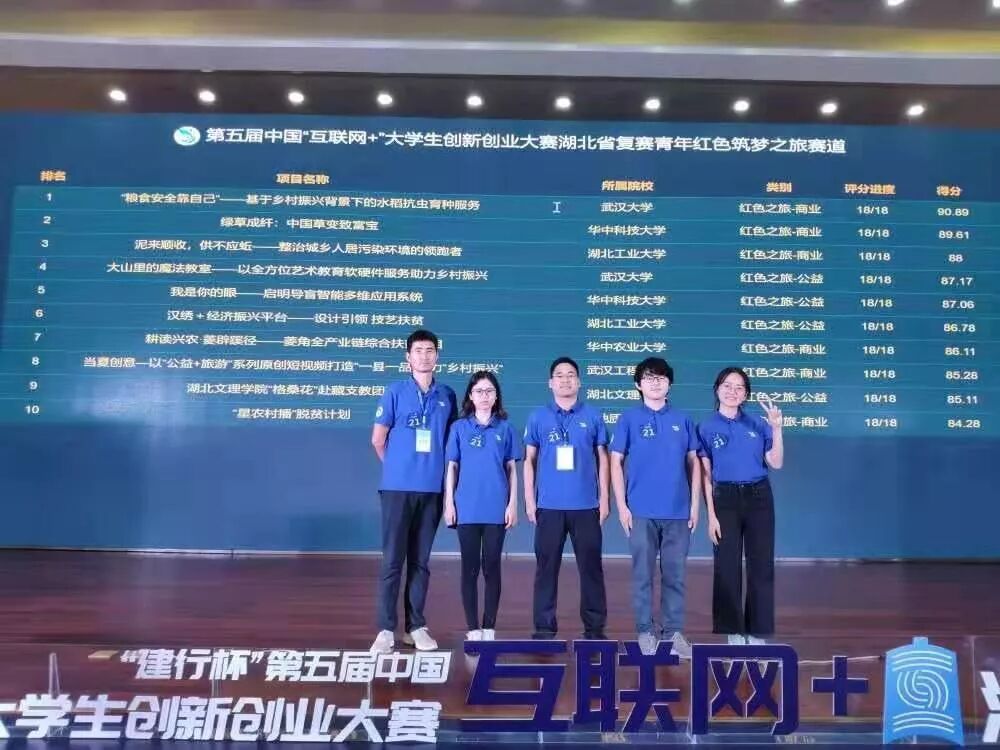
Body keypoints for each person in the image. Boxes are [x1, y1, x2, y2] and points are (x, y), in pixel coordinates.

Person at [370, 329, 457, 654]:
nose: (424, 355)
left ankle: (415, 627)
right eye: (418, 350)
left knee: (420, 561)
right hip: (397, 489)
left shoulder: (447, 395)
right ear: (408, 357)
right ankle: (385, 629)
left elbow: (451, 444)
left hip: (432, 490)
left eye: (430, 350)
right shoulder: (394, 391)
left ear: (437, 356)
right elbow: (378, 439)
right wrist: (398, 467)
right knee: (393, 560)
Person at [610, 357, 701, 658]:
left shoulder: (683, 419)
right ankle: (645, 631)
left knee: (675, 575)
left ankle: (673, 632)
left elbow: (694, 463)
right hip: (640, 511)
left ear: (669, 383)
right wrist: (622, 506)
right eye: (649, 377)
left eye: (661, 377)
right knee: (642, 575)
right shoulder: (628, 419)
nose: (656, 382)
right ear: (638, 384)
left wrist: (695, 505)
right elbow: (615, 461)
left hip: (677, 511)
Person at [697, 367, 784, 646]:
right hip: (724, 499)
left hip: (759, 497)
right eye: (727, 385)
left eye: (739, 387)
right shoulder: (706, 427)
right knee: (727, 565)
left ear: (746, 394)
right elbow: (705, 476)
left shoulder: (758, 423)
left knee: (761, 565)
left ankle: (757, 632)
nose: (732, 391)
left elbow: (776, 462)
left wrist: (777, 428)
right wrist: (711, 515)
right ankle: (733, 630)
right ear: (717, 389)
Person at [523, 356, 609, 640]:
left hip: (586, 505)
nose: (565, 379)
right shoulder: (538, 417)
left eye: (571, 375)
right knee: (545, 569)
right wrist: (529, 500)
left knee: (591, 569)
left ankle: (594, 628)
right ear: (550, 383)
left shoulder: (593, 415)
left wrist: (604, 499)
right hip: (549, 506)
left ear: (579, 382)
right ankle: (544, 628)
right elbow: (529, 460)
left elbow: (603, 459)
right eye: (559, 375)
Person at [443, 371, 519, 642]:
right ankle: (473, 628)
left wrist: (512, 504)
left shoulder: (505, 428)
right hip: (467, 508)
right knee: (470, 568)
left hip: (496, 508)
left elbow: (512, 469)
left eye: (489, 391)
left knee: (492, 567)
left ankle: (489, 627)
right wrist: (449, 502)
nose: (484, 396)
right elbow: (452, 467)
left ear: (496, 396)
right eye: (479, 391)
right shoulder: (459, 428)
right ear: (471, 396)